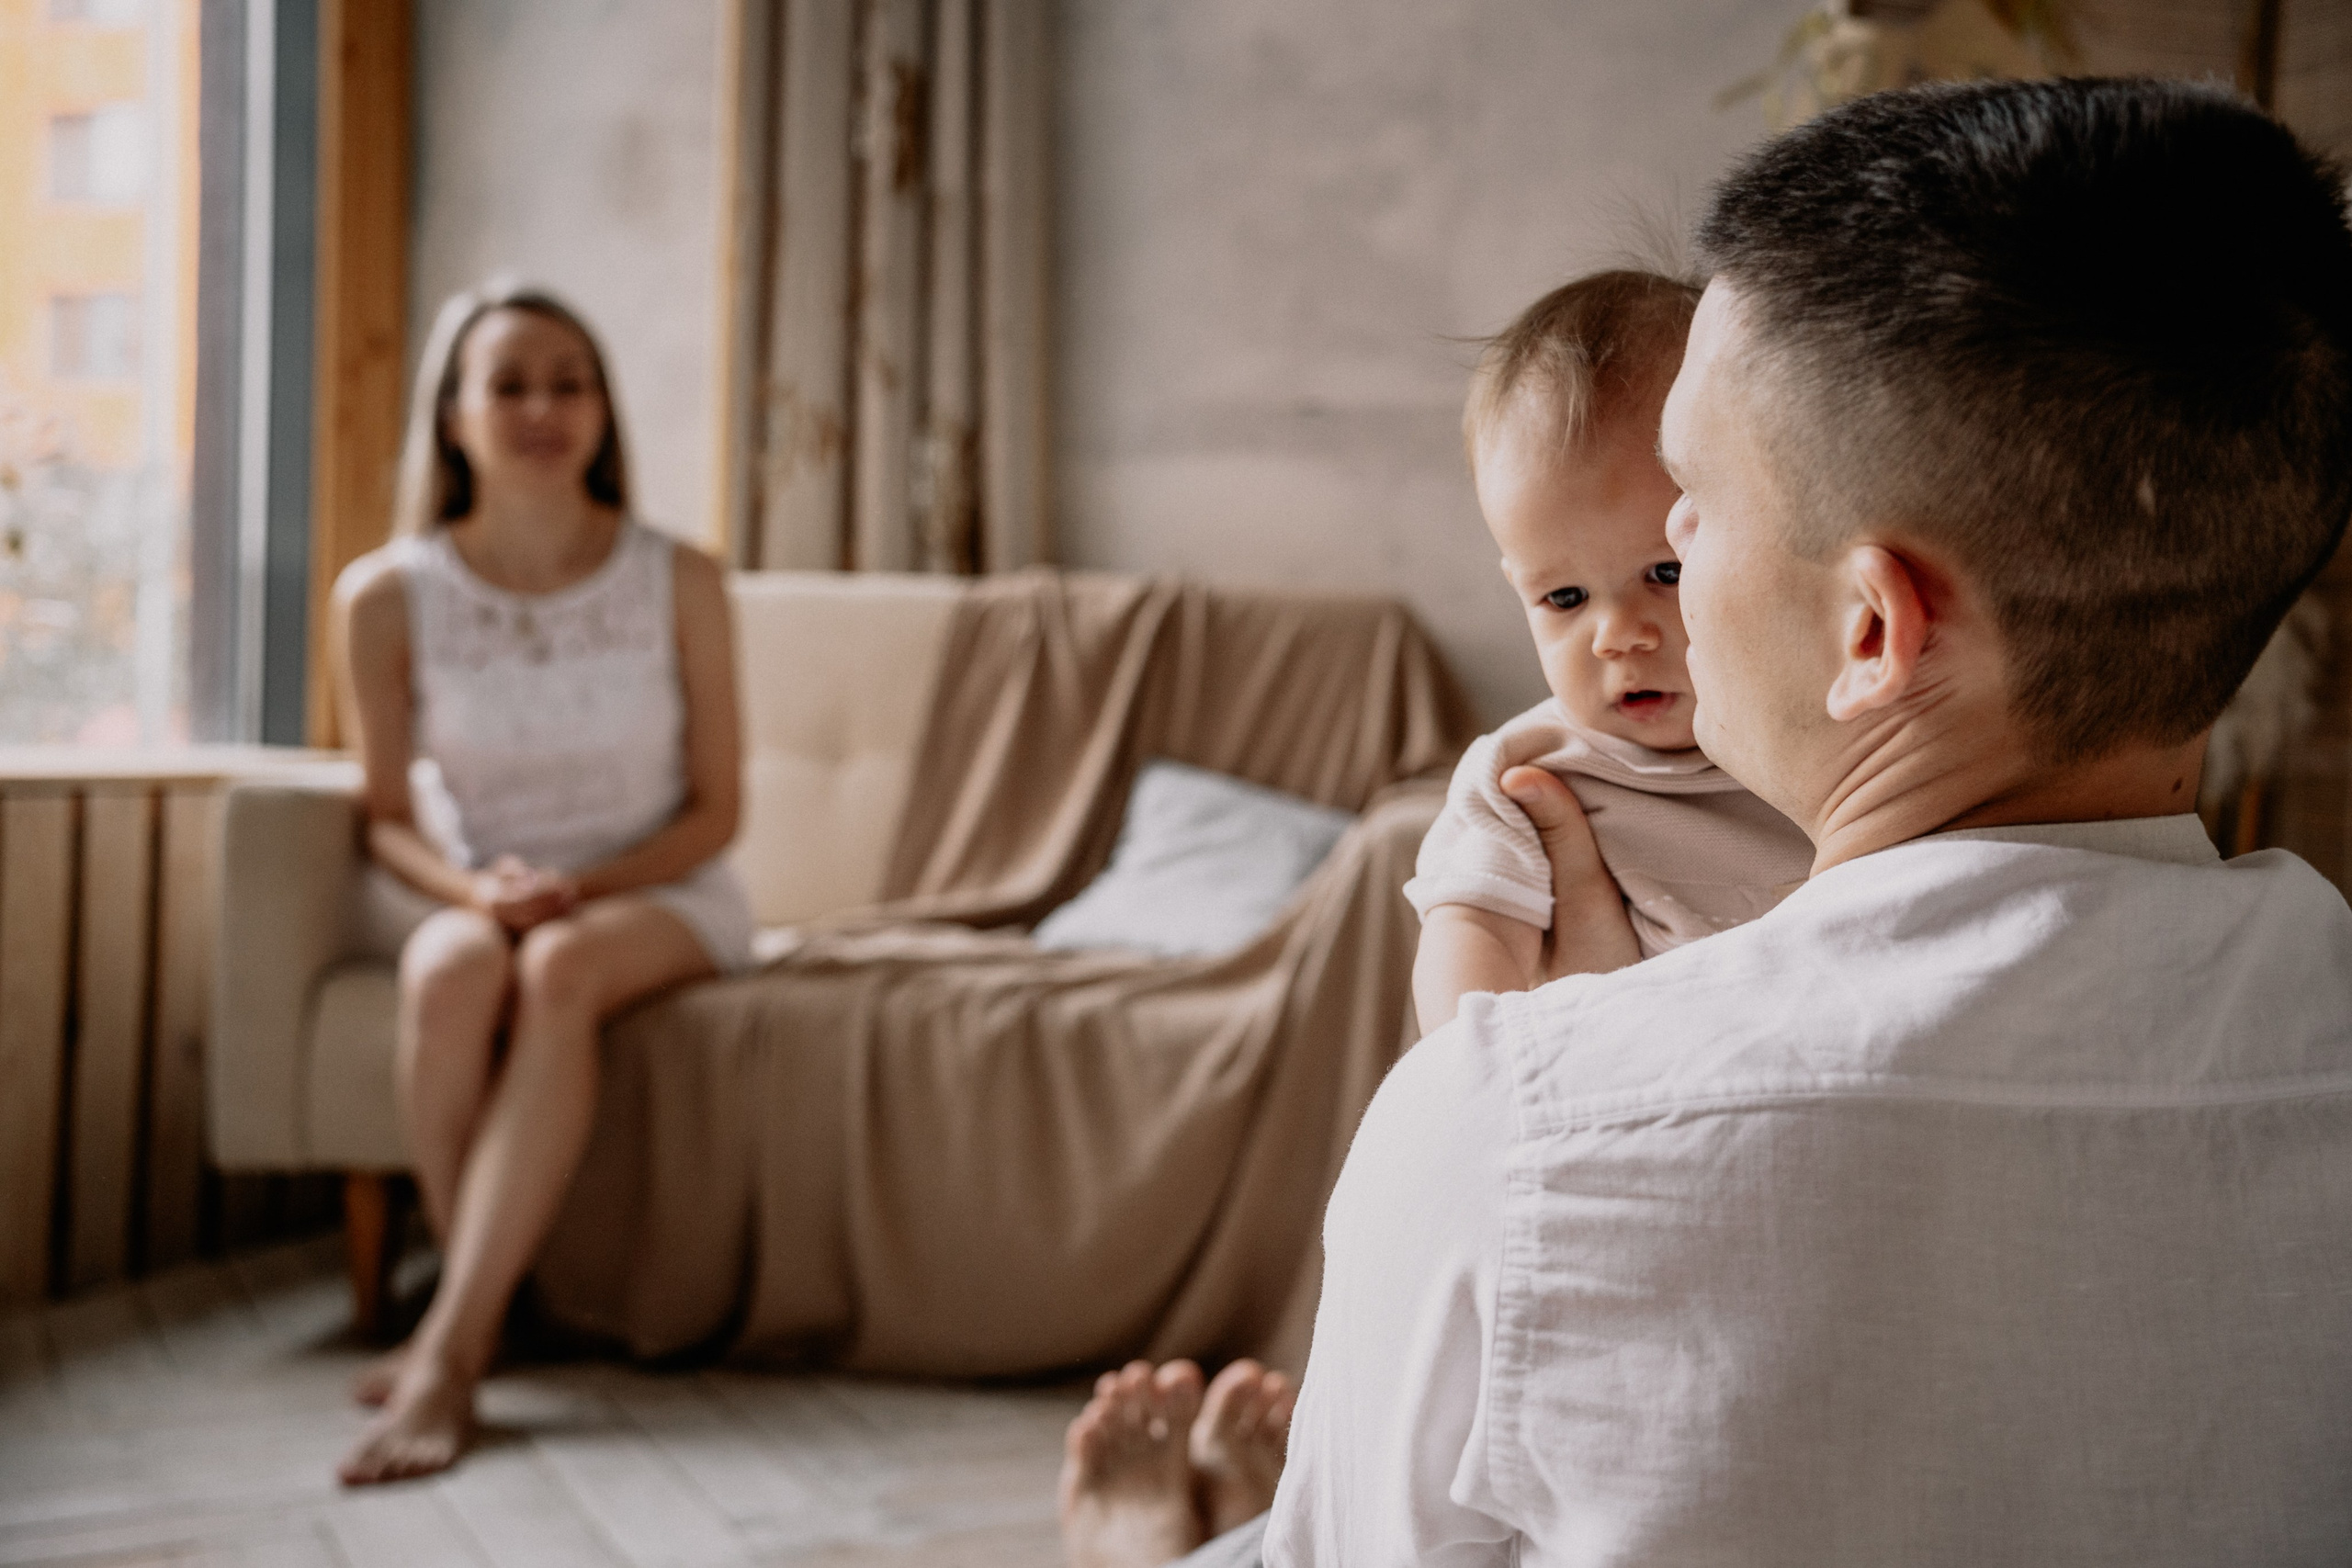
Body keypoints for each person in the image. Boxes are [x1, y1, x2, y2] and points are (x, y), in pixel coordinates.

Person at [1065, 76, 2352, 1567]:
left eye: (1691, 497)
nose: (1661, 545)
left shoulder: (1515, 1126)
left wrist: (1590, 1054)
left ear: (1872, 628)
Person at [329, 281, 755, 1485]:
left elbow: (721, 808)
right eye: (508, 382)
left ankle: (451, 1348)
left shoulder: (681, 577)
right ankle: (490, 1305)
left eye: (571, 381)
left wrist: (581, 887)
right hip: (481, 895)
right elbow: (387, 819)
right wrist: (475, 896)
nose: (541, 406)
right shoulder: (385, 594)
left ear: (604, 413)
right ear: (452, 415)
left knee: (559, 966)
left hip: (662, 887)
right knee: (449, 971)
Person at [1405, 269, 1814, 1035]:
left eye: (1663, 573)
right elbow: (1475, 930)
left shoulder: (1825, 728)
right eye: (1564, 599)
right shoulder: (1530, 772)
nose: (1616, 633)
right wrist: (1471, 1062)